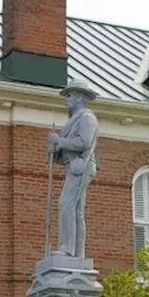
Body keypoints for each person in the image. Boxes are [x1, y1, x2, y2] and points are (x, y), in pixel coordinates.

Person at [49, 79, 100, 258]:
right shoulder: (75, 119)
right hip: (74, 166)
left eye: (69, 95)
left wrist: (60, 141)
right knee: (76, 210)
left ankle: (67, 249)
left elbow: (83, 142)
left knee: (66, 204)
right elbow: (67, 151)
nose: (66, 99)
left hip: (82, 166)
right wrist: (55, 151)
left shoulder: (87, 117)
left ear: (79, 97)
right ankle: (77, 252)